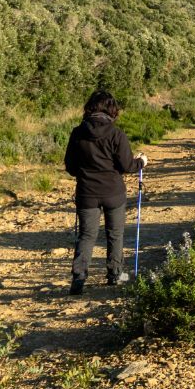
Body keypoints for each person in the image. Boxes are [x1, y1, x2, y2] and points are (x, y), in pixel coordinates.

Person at [63, 90, 146, 295]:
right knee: (115, 235)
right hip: (113, 193)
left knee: (87, 235)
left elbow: (71, 167)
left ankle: (79, 277)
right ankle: (115, 275)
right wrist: (142, 162)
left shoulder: (76, 133)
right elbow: (127, 165)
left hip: (86, 193)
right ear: (111, 110)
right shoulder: (116, 134)